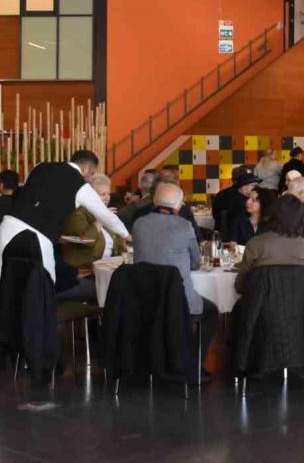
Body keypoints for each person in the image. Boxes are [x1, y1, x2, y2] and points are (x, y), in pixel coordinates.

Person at [0, 150, 129, 288]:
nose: (90, 179)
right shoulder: (80, 184)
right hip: (40, 236)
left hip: (9, 225)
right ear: (86, 168)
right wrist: (126, 235)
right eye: (92, 174)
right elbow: (104, 214)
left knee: (3, 274)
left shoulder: (40, 166)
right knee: (46, 282)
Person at [132, 183, 217, 374]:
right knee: (211, 312)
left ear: (155, 201)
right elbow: (195, 263)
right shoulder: (185, 226)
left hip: (144, 297)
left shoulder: (139, 224)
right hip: (179, 299)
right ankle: (192, 363)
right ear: (179, 205)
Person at [234, 194, 304, 295]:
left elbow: (240, 286)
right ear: (301, 219)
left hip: (261, 303)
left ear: (272, 215)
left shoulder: (255, 245)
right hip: (297, 304)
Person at [62, 173, 125, 269]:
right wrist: (101, 220)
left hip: (108, 268)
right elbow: (86, 241)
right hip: (84, 270)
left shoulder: (106, 213)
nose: (107, 198)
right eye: (103, 194)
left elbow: (118, 243)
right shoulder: (77, 214)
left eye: (108, 194)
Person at [217, 172, 262, 241]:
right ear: (244, 187)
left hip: (220, 233)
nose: (257, 188)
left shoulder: (222, 193)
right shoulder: (244, 204)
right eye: (254, 185)